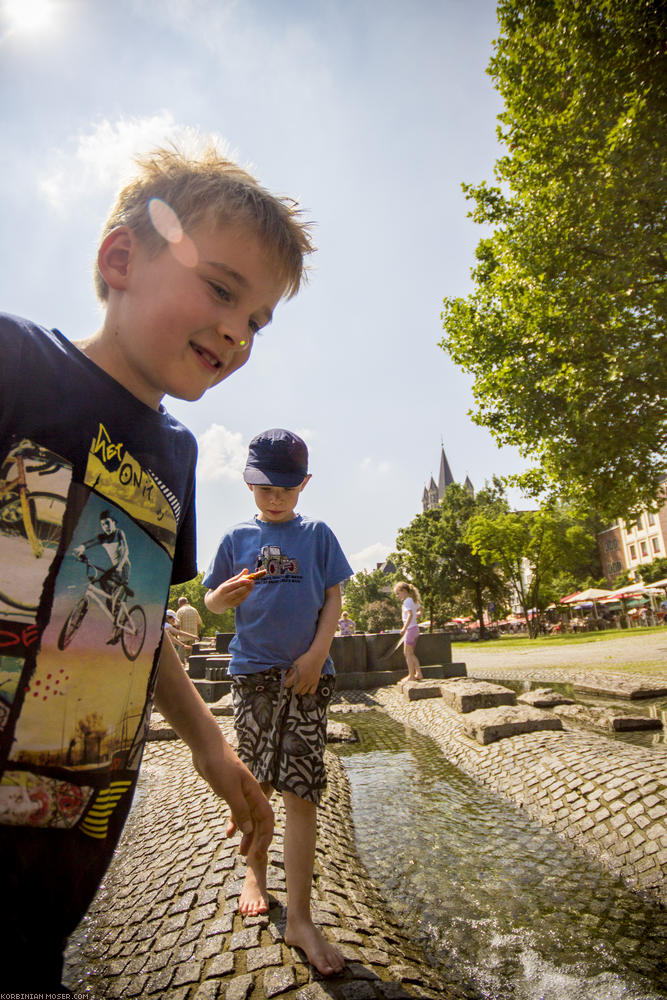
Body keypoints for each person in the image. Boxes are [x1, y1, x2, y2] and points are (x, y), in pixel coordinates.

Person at [0, 141, 315, 991]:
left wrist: (210, 743)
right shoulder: (16, 362)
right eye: (220, 289)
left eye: (255, 320)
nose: (236, 332)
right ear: (119, 259)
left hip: (70, 837)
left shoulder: (175, 456)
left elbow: (131, 625)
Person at [203, 429, 352, 977]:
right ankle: (254, 875)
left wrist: (317, 655)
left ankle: (302, 918)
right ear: (248, 481)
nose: (275, 498)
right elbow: (212, 600)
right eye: (264, 487)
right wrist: (223, 596)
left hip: (309, 677)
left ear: (303, 484)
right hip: (252, 676)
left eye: (286, 488)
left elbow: (334, 596)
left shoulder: (317, 534)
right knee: (257, 782)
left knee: (302, 792)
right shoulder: (236, 535)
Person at [73, 509, 132, 645]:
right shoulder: (103, 538)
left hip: (123, 567)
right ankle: (118, 620)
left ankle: (117, 627)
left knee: (113, 597)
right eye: (102, 524)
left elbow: (126, 551)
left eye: (107, 523)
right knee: (106, 596)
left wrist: (118, 567)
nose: (105, 526)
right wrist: (80, 548)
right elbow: (89, 543)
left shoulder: (119, 533)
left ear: (114, 523)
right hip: (113, 570)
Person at [393, 581, 424, 682]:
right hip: (415, 629)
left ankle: (411, 676)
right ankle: (418, 673)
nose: (397, 596)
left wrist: (404, 628)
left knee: (407, 653)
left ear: (404, 591)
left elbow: (410, 615)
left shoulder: (407, 601)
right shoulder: (413, 600)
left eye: (398, 593)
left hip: (410, 630)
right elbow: (421, 610)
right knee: (410, 653)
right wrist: (418, 614)